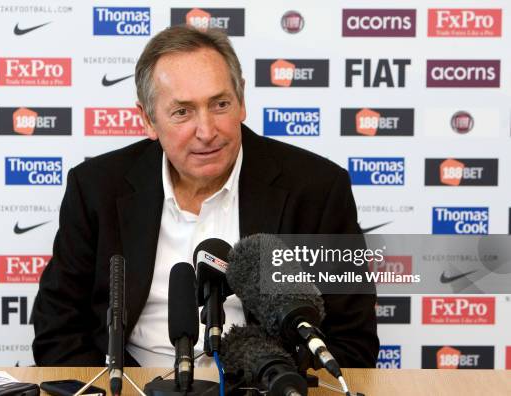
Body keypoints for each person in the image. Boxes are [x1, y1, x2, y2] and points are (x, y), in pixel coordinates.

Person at [32, 25, 378, 368]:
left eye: (220, 104)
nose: (207, 131)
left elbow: (351, 340)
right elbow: (58, 329)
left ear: (241, 100)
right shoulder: (97, 188)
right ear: (148, 119)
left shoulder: (316, 189)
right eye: (182, 111)